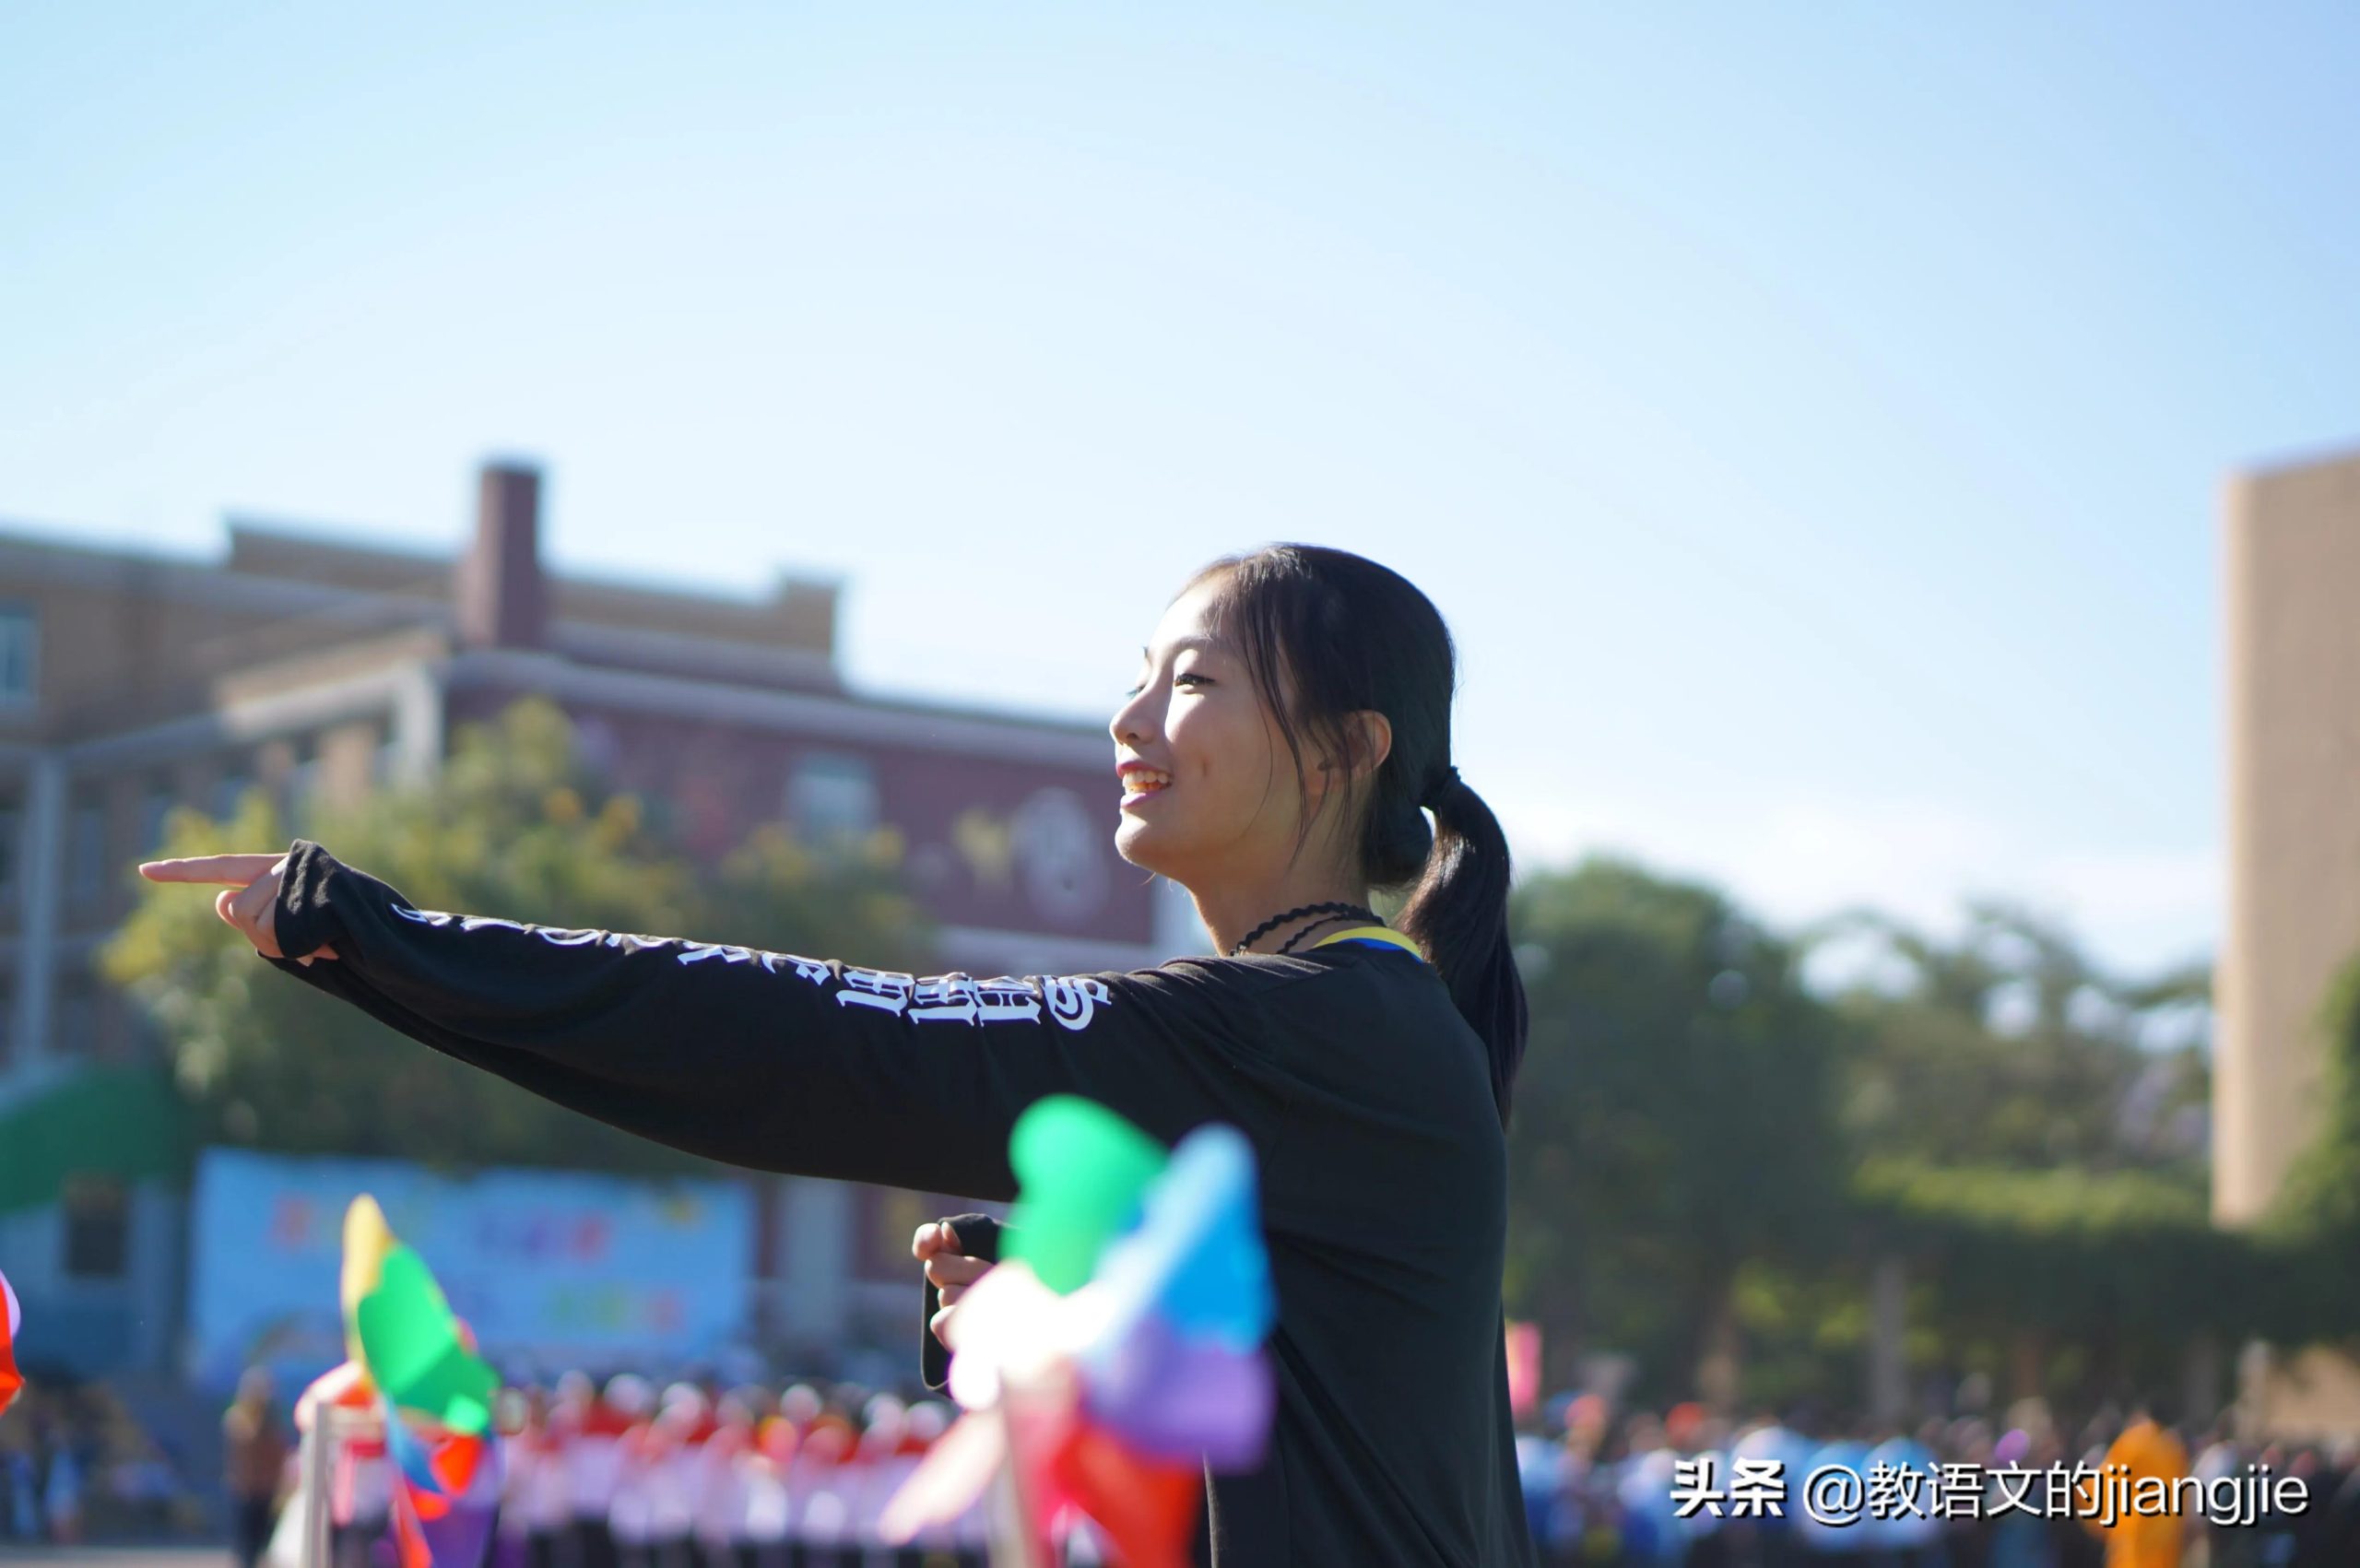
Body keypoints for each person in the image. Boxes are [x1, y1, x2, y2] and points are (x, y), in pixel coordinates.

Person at [142, 543, 1537, 1566]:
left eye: (1194, 682)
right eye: (1136, 682)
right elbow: (1284, 1429)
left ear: (1351, 748)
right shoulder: (1339, 1027)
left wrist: (392, 941)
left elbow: (825, 1040)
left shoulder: (1314, 1026)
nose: (1128, 724)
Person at [223, 1367, 289, 1568]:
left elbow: (279, 1453)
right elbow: (244, 1441)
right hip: (246, 1491)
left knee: (263, 1544)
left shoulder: (272, 1421)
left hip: (267, 1490)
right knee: (246, 1546)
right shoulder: (239, 1418)